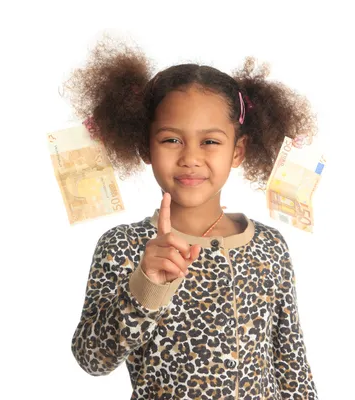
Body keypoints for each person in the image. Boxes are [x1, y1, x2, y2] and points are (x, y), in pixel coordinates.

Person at [64, 36, 319, 399]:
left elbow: (291, 366)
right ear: (144, 147)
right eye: (171, 140)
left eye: (210, 142)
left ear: (238, 150)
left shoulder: (269, 248)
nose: (191, 158)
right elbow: (93, 359)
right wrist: (146, 284)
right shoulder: (123, 246)